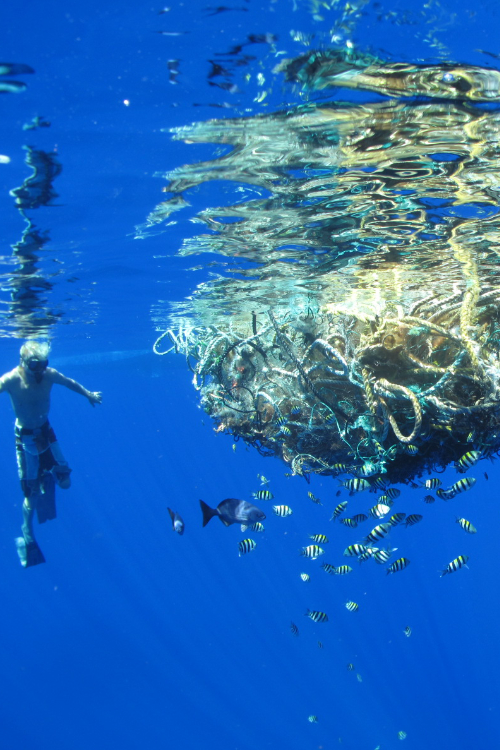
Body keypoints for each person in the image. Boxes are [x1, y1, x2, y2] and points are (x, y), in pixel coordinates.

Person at [0, 341, 102, 568]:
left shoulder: (49, 374)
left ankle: (46, 474)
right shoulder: (10, 380)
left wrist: (88, 394)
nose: (40, 370)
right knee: (31, 496)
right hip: (25, 438)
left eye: (44, 364)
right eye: (35, 365)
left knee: (65, 483)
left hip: (46, 432)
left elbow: (69, 383)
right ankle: (27, 531)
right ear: (23, 362)